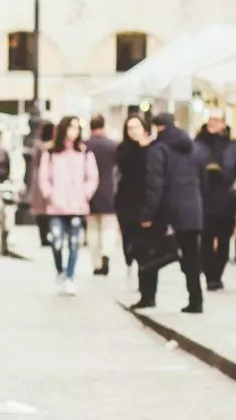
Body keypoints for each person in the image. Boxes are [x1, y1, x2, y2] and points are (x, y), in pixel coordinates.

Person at [135, 112, 205, 313]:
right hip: (193, 208)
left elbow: (155, 185)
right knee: (191, 257)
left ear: (158, 127)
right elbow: (203, 179)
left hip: (168, 211)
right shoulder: (195, 148)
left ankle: (148, 296)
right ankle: (196, 300)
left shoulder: (158, 150)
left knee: (151, 253)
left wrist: (148, 213)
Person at [38, 116, 99, 296]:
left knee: (74, 242)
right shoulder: (50, 153)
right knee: (56, 241)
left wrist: (85, 194)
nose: (74, 131)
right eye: (71, 127)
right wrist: (50, 194)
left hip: (77, 206)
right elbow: (43, 177)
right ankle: (60, 271)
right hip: (56, 206)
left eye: (76, 128)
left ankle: (70, 276)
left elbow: (92, 177)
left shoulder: (85, 152)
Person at [194, 108, 236, 291]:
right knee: (206, 238)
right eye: (210, 119)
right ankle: (210, 276)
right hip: (205, 198)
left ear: (224, 123)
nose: (212, 122)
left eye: (216, 119)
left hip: (227, 200)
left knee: (224, 239)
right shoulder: (198, 144)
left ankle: (218, 274)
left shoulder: (235, 146)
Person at [115, 114, 152, 293]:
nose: (133, 132)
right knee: (128, 238)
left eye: (136, 127)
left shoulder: (152, 148)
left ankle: (142, 275)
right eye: (130, 128)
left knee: (143, 241)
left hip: (145, 200)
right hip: (126, 201)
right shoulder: (123, 150)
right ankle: (129, 263)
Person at [84, 114, 118, 276]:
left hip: (89, 192)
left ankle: (96, 263)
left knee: (92, 228)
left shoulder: (85, 146)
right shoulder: (112, 146)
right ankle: (106, 253)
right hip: (109, 190)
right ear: (104, 126)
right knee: (109, 226)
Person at [28, 121, 55, 250]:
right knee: (46, 210)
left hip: (38, 179)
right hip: (47, 179)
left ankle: (44, 236)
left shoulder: (37, 145)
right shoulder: (48, 147)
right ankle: (46, 235)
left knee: (42, 211)